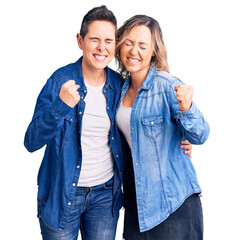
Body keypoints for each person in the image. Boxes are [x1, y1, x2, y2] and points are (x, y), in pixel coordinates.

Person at [24, 5, 193, 240]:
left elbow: (133, 128)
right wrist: (60, 106)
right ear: (80, 40)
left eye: (108, 40)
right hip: (61, 196)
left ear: (115, 45)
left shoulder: (119, 86)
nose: (101, 47)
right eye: (94, 39)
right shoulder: (59, 81)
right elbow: (31, 141)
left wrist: (175, 140)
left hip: (104, 199)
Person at [115, 15, 210, 240]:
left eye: (142, 45)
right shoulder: (119, 89)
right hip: (137, 204)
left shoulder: (166, 86)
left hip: (173, 204)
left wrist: (187, 109)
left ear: (154, 51)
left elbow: (201, 134)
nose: (133, 51)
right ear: (119, 45)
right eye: (128, 43)